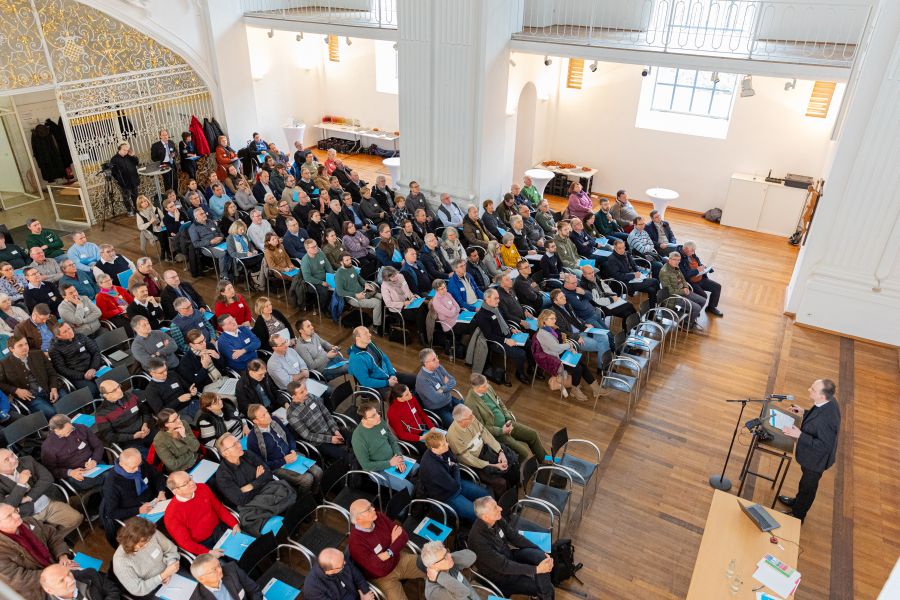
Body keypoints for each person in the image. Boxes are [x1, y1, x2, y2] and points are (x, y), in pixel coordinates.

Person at [777, 379, 841, 522]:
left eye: (812, 389)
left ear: (822, 396)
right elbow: (816, 414)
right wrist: (803, 412)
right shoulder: (828, 401)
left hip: (816, 460)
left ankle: (798, 515)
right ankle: (797, 503)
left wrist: (799, 434)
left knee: (808, 488)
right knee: (804, 484)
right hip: (812, 456)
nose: (808, 389)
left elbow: (824, 446)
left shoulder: (828, 419)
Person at [468, 496, 555, 600]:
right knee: (549, 588)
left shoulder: (496, 518)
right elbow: (504, 566)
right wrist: (537, 569)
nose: (500, 508)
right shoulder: (478, 541)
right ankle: (544, 596)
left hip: (509, 556)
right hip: (503, 577)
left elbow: (514, 536)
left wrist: (541, 551)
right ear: (486, 517)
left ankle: (542, 595)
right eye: (495, 507)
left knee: (542, 557)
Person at [214, 433, 296, 535]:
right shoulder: (222, 475)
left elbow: (268, 473)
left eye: (237, 442)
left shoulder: (247, 454)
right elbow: (241, 499)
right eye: (234, 445)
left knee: (289, 494)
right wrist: (259, 480)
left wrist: (250, 486)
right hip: (251, 506)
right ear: (225, 453)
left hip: (268, 489)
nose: (239, 445)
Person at [348, 498, 424, 599]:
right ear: (358, 519)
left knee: (432, 565)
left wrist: (386, 554)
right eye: (368, 510)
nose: (374, 509)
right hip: (382, 578)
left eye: (371, 506)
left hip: (400, 559)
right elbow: (380, 571)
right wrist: (392, 544)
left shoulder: (378, 516)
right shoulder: (356, 542)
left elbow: (403, 536)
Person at [0, 449, 82, 537]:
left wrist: (28, 497)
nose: (13, 459)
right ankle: (48, 540)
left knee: (76, 518)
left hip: (48, 503)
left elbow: (48, 478)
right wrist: (21, 484)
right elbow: (5, 508)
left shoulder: (27, 460)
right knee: (35, 538)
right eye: (6, 460)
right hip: (25, 516)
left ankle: (52, 538)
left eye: (12, 455)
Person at [0, 502, 73, 600]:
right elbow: (18, 579)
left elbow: (52, 536)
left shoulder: (29, 522)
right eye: (9, 516)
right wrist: (55, 573)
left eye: (15, 510)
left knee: (92, 579)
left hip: (62, 568)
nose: (17, 515)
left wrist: (62, 555)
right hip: (40, 589)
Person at [465, 373, 546, 461]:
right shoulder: (470, 403)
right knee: (523, 452)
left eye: (487, 383)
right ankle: (517, 470)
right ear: (476, 388)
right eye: (484, 386)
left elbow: (499, 402)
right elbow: (482, 428)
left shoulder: (488, 388)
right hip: (497, 434)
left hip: (507, 423)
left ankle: (546, 460)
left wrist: (508, 418)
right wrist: (502, 430)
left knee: (533, 435)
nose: (488, 386)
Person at [246, 403, 323, 494]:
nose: (268, 416)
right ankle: (303, 501)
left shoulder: (275, 420)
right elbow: (262, 465)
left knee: (318, 471)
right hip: (277, 466)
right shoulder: (253, 439)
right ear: (256, 421)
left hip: (292, 455)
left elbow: (289, 436)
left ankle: (315, 496)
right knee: (307, 479)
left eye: (266, 412)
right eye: (263, 416)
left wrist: (293, 450)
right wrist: (283, 460)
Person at [447, 404, 519, 496]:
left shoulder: (472, 419)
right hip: (474, 464)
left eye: (472, 413)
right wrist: (494, 465)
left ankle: (513, 491)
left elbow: (486, 435)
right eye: (470, 416)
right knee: (500, 483)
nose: (473, 417)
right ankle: (504, 505)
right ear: (461, 421)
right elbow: (469, 459)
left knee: (512, 462)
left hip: (485, 450)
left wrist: (500, 452)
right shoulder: (453, 436)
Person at [420, 430, 489, 523]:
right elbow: (454, 485)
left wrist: (455, 466)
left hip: (454, 481)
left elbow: (455, 461)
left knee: (485, 494)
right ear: (434, 449)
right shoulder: (433, 468)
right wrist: (455, 467)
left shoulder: (443, 450)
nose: (447, 444)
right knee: (476, 514)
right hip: (447, 495)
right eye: (444, 444)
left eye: (446, 442)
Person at [163, 471, 240, 556]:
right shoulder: (171, 515)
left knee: (243, 550)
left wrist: (234, 524)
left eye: (190, 478)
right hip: (203, 544)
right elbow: (185, 543)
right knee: (231, 562)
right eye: (185, 483)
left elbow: (219, 509)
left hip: (219, 529)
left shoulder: (202, 488)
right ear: (176, 491)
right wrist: (208, 552)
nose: (192, 483)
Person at [100, 448, 166, 545]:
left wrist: (161, 491)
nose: (137, 469)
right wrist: (138, 510)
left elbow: (157, 476)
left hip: (151, 502)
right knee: (157, 536)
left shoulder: (140, 464)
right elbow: (111, 513)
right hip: (132, 512)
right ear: (122, 464)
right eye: (133, 467)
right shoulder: (112, 484)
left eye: (138, 465)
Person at [533, 309, 602, 403]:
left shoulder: (551, 328)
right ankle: (575, 390)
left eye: (555, 318)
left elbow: (561, 341)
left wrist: (570, 348)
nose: (554, 320)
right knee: (577, 368)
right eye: (552, 319)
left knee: (582, 364)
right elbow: (556, 347)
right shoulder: (543, 333)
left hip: (560, 353)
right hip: (553, 358)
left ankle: (596, 389)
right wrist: (570, 345)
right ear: (544, 320)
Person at [352, 402, 417, 494]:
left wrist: (399, 458)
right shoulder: (358, 438)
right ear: (363, 420)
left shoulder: (379, 422)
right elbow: (366, 465)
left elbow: (392, 440)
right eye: (373, 415)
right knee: (409, 488)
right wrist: (390, 463)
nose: (378, 416)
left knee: (419, 469)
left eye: (377, 412)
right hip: (379, 470)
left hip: (394, 458)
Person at [113, 517, 180, 598]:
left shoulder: (149, 534)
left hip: (171, 574)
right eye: (142, 544)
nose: (148, 545)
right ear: (131, 542)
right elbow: (138, 589)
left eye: (148, 540)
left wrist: (170, 565)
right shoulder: (120, 561)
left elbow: (170, 549)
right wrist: (162, 576)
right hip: (151, 590)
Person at [285, 380, 351, 462]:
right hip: (320, 442)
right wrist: (330, 439)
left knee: (355, 439)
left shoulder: (310, 397)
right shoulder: (292, 414)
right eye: (302, 392)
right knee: (347, 457)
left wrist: (335, 430)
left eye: (305, 389)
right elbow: (308, 435)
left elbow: (326, 413)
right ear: (293, 396)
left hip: (331, 430)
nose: (306, 392)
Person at [472, 288, 529, 384]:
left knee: (529, 343)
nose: (498, 300)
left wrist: (511, 329)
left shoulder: (495, 307)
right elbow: (489, 336)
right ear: (487, 299)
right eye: (496, 298)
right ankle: (520, 374)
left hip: (508, 334)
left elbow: (503, 321)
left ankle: (531, 367)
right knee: (521, 354)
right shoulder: (482, 315)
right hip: (498, 342)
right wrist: (506, 340)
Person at [348, 325, 416, 399]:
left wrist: (392, 374)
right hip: (377, 385)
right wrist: (387, 382)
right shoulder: (356, 358)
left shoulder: (370, 344)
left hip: (387, 376)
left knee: (415, 379)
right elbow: (365, 381)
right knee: (401, 398)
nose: (370, 334)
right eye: (365, 334)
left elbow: (385, 358)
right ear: (358, 338)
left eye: (368, 332)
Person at [41, 414, 106, 491]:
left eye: (69, 431)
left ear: (71, 423)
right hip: (74, 474)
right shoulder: (48, 446)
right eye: (62, 435)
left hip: (95, 464)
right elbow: (50, 470)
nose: (67, 435)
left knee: (110, 478)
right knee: (110, 477)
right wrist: (70, 472)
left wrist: (95, 460)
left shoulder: (81, 428)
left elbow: (98, 445)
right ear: (54, 430)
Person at [0, 334, 59, 418]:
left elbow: (52, 373)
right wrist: (16, 390)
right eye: (20, 345)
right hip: (31, 397)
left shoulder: (38, 353)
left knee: (67, 405)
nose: (25, 347)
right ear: (11, 349)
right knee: (52, 413)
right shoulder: (3, 364)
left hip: (49, 388)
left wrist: (54, 388)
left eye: (26, 344)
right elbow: (1, 384)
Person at [95, 380, 152, 451]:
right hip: (128, 441)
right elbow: (109, 436)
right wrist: (133, 436)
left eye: (118, 386)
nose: (119, 390)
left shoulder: (130, 396)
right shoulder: (101, 414)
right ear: (106, 395)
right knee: (144, 458)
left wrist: (145, 424)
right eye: (114, 390)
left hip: (145, 430)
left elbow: (145, 411)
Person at [48, 322, 103, 395]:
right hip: (77, 375)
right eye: (65, 331)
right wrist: (83, 375)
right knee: (93, 390)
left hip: (93, 367)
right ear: (58, 336)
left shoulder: (80, 336)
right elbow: (62, 369)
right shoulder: (54, 349)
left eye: (69, 328)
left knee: (111, 377)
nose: (70, 332)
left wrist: (93, 368)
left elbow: (95, 351)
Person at [605, 239, 660, 308]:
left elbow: (634, 266)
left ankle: (653, 309)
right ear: (615, 248)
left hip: (635, 279)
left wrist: (638, 272)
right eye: (619, 248)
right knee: (654, 281)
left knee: (651, 290)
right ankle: (660, 300)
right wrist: (633, 275)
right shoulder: (612, 260)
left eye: (623, 247)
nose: (622, 250)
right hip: (625, 283)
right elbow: (617, 276)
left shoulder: (626, 253)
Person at [335, 252, 384, 330]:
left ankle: (383, 318)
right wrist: (355, 295)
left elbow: (359, 278)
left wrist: (365, 284)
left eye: (350, 259)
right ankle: (376, 326)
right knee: (377, 303)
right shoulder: (338, 275)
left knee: (383, 297)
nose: (350, 261)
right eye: (347, 260)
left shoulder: (351, 267)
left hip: (363, 291)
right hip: (353, 298)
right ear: (341, 262)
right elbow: (340, 292)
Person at [659, 252, 706, 332]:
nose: (677, 262)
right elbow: (669, 291)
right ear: (669, 260)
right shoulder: (664, 272)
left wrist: (686, 287)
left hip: (682, 291)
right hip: (674, 297)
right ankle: (686, 325)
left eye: (679, 260)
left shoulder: (676, 267)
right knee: (696, 307)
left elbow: (683, 279)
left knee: (703, 300)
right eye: (675, 260)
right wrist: (682, 291)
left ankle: (688, 320)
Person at [415, 348, 462, 428]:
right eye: (434, 359)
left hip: (449, 400)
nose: (438, 360)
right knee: (456, 427)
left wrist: (442, 389)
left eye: (436, 357)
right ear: (426, 363)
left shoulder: (438, 367)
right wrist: (447, 387)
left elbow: (453, 381)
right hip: (438, 409)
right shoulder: (422, 380)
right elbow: (437, 399)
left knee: (468, 413)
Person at [304, 547, 374, 600]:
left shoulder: (339, 559)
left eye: (343, 558)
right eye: (342, 565)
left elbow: (358, 576)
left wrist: (364, 592)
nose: (345, 563)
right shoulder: (313, 590)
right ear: (329, 571)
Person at [189, 553, 262, 600]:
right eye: (214, 569)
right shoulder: (197, 598)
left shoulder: (232, 569)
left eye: (219, 565)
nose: (220, 570)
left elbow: (254, 590)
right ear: (201, 579)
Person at [679, 240, 723, 317]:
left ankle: (711, 307)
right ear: (685, 249)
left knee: (717, 287)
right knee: (703, 296)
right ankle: (693, 312)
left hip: (701, 278)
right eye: (692, 251)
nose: (693, 252)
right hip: (691, 282)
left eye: (694, 251)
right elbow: (685, 275)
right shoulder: (679, 259)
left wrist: (706, 268)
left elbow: (699, 264)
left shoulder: (692, 255)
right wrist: (697, 270)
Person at [153, 408, 201, 473]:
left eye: (178, 416)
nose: (179, 420)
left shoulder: (183, 424)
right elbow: (173, 465)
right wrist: (191, 454)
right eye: (174, 420)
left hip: (196, 459)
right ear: (166, 424)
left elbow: (196, 447)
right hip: (182, 470)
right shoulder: (159, 440)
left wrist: (184, 436)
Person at [301, 239, 334, 311]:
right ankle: (322, 309)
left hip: (325, 277)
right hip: (314, 282)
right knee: (324, 291)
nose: (316, 248)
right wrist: (321, 282)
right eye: (313, 247)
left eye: (316, 245)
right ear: (307, 249)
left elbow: (328, 266)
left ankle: (335, 306)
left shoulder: (320, 253)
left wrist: (332, 276)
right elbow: (307, 278)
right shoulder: (305, 261)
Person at [109, 142, 139, 215]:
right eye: (124, 150)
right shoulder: (114, 159)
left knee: (135, 196)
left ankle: (137, 210)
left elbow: (136, 163)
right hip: (124, 182)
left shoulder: (129, 156)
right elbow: (113, 172)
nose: (126, 151)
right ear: (119, 149)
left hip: (133, 180)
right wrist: (119, 180)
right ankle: (129, 211)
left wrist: (133, 156)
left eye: (127, 150)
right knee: (126, 198)